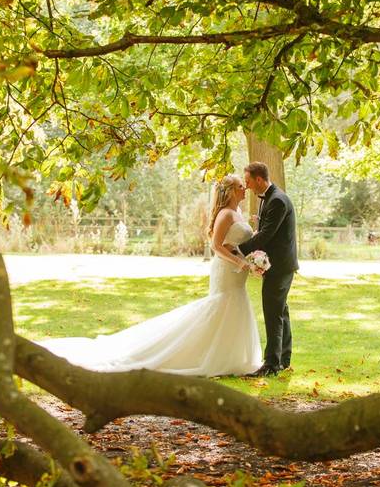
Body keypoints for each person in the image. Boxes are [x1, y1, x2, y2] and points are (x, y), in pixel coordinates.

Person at [38, 174, 261, 377]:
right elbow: (216, 246)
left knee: (233, 308)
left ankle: (228, 357)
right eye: (241, 186)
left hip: (237, 273)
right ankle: (202, 356)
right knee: (220, 307)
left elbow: (237, 241)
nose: (245, 189)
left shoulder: (238, 212)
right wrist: (240, 262)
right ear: (231, 191)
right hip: (226, 271)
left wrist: (254, 246)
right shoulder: (225, 214)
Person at [238, 161, 298, 377]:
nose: (247, 187)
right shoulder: (269, 199)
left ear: (259, 180)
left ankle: (271, 364)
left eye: (248, 182)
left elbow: (266, 235)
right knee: (280, 311)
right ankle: (283, 359)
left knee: (273, 313)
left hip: (280, 266)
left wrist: (238, 249)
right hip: (278, 265)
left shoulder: (278, 201)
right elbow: (263, 231)